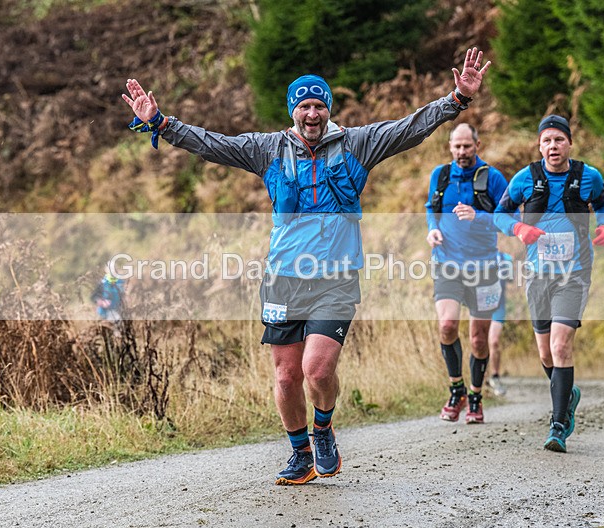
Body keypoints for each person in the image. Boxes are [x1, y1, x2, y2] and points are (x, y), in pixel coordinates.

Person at [123, 48, 491, 485]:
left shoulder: (356, 144)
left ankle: (323, 429)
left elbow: (408, 128)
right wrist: (163, 123)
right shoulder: (268, 149)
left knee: (317, 370)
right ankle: (300, 454)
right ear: (293, 110)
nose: (312, 113)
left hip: (335, 280)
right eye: (304, 105)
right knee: (285, 376)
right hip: (283, 280)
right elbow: (214, 145)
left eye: (319, 105)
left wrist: (456, 100)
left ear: (328, 110)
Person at [494, 114, 604, 453]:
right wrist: (518, 229)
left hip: (574, 274)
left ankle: (558, 423)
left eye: (559, 140)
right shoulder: (525, 178)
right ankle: (568, 392)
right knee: (546, 352)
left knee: (561, 346)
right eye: (547, 140)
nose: (553, 146)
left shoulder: (587, 176)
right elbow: (499, 214)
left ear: (569, 143)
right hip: (536, 275)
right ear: (539, 145)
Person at [425, 123, 507, 424]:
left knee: (478, 339)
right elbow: (430, 207)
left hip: (485, 267)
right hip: (447, 263)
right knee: (447, 325)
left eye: (467, 146)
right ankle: (456, 388)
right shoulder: (441, 175)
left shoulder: (493, 178)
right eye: (457, 146)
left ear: (477, 145)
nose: (462, 152)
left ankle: (475, 396)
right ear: (450, 146)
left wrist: (479, 216)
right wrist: (432, 229)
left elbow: (509, 219)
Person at [487, 251, 514, 397]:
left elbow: (509, 279)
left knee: (494, 341)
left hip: (498, 307)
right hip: (478, 306)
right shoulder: (474, 254)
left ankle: (495, 376)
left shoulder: (505, 258)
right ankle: (481, 379)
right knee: (479, 342)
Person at [91, 265, 127, 329]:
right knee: (117, 323)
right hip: (106, 312)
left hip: (119, 310)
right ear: (107, 273)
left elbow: (124, 294)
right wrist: (102, 302)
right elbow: (93, 297)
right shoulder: (102, 284)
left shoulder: (121, 283)